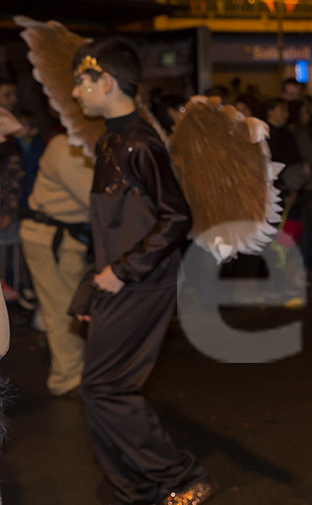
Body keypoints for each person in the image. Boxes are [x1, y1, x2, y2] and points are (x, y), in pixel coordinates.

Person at [68, 38, 214, 505]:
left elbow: (176, 217)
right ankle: (136, 486)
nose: (75, 93)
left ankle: (182, 476)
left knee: (107, 387)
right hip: (119, 280)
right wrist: (92, 290)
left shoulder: (139, 142)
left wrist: (123, 271)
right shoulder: (112, 138)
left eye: (81, 82)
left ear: (106, 82)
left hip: (141, 283)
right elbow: (111, 226)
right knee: (99, 389)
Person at [19, 133, 93, 397]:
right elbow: (95, 198)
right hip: (49, 238)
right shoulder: (66, 148)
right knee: (61, 308)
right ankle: (67, 378)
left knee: (68, 306)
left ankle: (75, 371)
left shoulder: (82, 147)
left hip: (63, 237)